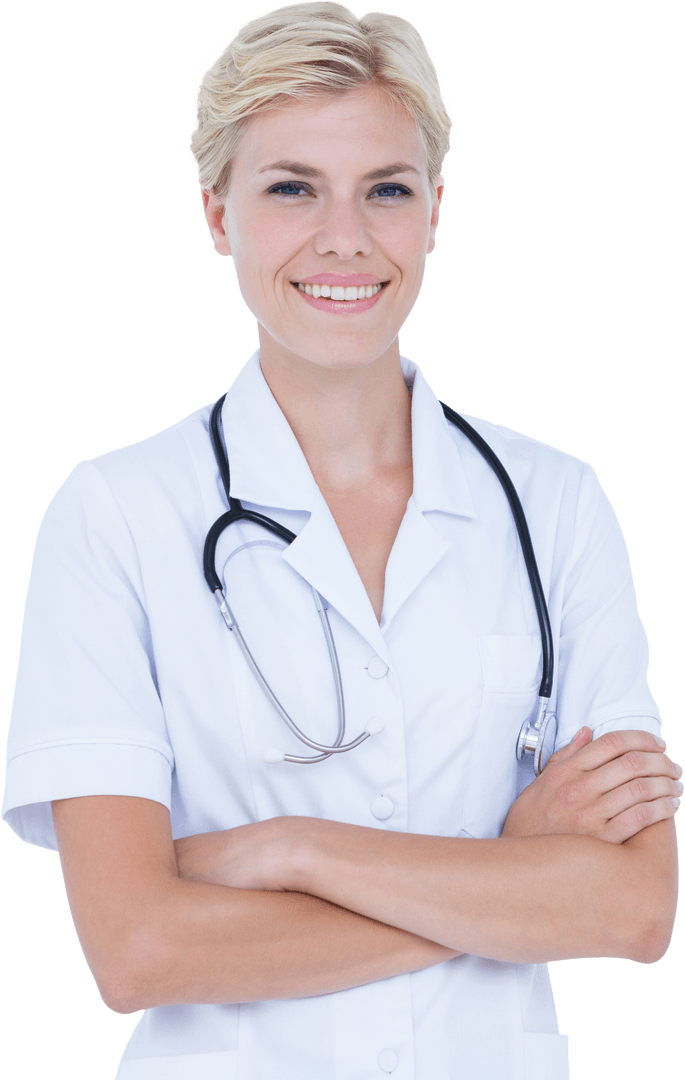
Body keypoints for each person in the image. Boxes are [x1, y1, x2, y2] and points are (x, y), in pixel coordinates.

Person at [1, 3, 681, 1078]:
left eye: (386, 190)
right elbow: (135, 950)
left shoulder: (554, 503)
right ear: (217, 211)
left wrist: (288, 849)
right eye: (289, 188)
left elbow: (634, 909)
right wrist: (507, 878)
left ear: (434, 211)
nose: (344, 238)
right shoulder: (115, 514)